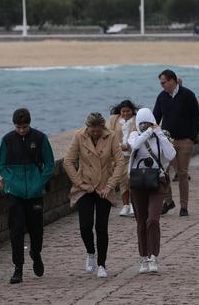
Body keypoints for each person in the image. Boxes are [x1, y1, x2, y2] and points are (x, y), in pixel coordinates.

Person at [63, 112, 125, 278]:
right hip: (85, 186)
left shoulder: (111, 137)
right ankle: (90, 252)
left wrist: (111, 185)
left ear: (102, 127)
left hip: (104, 187)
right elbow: (68, 161)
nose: (95, 133)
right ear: (88, 128)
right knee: (85, 225)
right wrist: (80, 183)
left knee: (101, 226)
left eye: (98, 130)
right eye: (92, 130)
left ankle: (102, 264)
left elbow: (120, 162)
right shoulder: (79, 136)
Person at [0, 108, 54, 284]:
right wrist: (13, 182)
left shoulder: (40, 138)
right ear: (14, 125)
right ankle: (18, 269)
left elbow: (49, 163)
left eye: (25, 127)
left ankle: (35, 253)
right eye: (19, 127)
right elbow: (1, 167)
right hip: (15, 193)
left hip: (35, 193)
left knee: (36, 230)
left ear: (30, 124)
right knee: (16, 231)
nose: (22, 130)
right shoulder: (7, 140)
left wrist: (39, 183)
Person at [128, 108, 176, 273]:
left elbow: (170, 154)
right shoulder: (135, 135)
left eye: (147, 123)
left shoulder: (160, 136)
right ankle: (143, 257)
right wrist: (148, 132)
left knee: (152, 219)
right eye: (141, 124)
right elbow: (134, 145)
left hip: (157, 181)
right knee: (141, 221)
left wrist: (159, 133)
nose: (144, 126)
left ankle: (153, 256)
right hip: (137, 182)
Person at [153, 69, 199, 216]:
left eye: (164, 83)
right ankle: (168, 201)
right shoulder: (161, 97)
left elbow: (196, 117)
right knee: (163, 172)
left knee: (182, 173)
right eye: (161, 83)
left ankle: (184, 206)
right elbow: (155, 118)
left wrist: (191, 138)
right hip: (167, 141)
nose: (162, 86)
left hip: (185, 141)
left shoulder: (188, 95)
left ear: (172, 81)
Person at [106, 100, 138, 217]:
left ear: (132, 110)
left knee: (133, 180)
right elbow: (109, 134)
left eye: (128, 111)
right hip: (120, 156)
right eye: (123, 111)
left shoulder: (136, 120)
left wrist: (129, 146)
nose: (125, 114)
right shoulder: (114, 120)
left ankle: (135, 205)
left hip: (133, 155)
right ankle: (126, 205)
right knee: (123, 180)